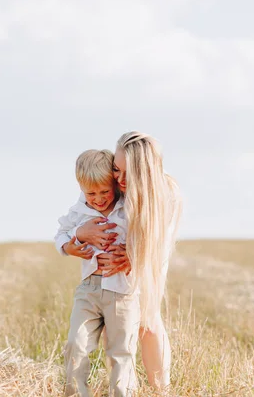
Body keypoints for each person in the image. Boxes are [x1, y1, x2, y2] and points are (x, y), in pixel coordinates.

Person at [73, 132, 182, 390]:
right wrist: (81, 234)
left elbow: (161, 243)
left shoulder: (168, 194)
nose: (119, 179)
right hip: (114, 263)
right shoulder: (115, 185)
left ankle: (161, 389)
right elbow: (84, 210)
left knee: (149, 322)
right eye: (116, 169)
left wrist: (133, 256)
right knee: (118, 326)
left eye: (127, 172)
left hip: (148, 260)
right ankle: (123, 386)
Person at [55, 149, 140, 397]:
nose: (99, 199)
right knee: (76, 344)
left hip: (122, 291)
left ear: (115, 183)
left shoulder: (128, 208)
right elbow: (61, 234)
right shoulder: (79, 211)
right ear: (81, 188)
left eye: (104, 191)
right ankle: (76, 393)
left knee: (121, 351)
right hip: (89, 289)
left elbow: (147, 236)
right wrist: (76, 237)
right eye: (91, 193)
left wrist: (132, 252)